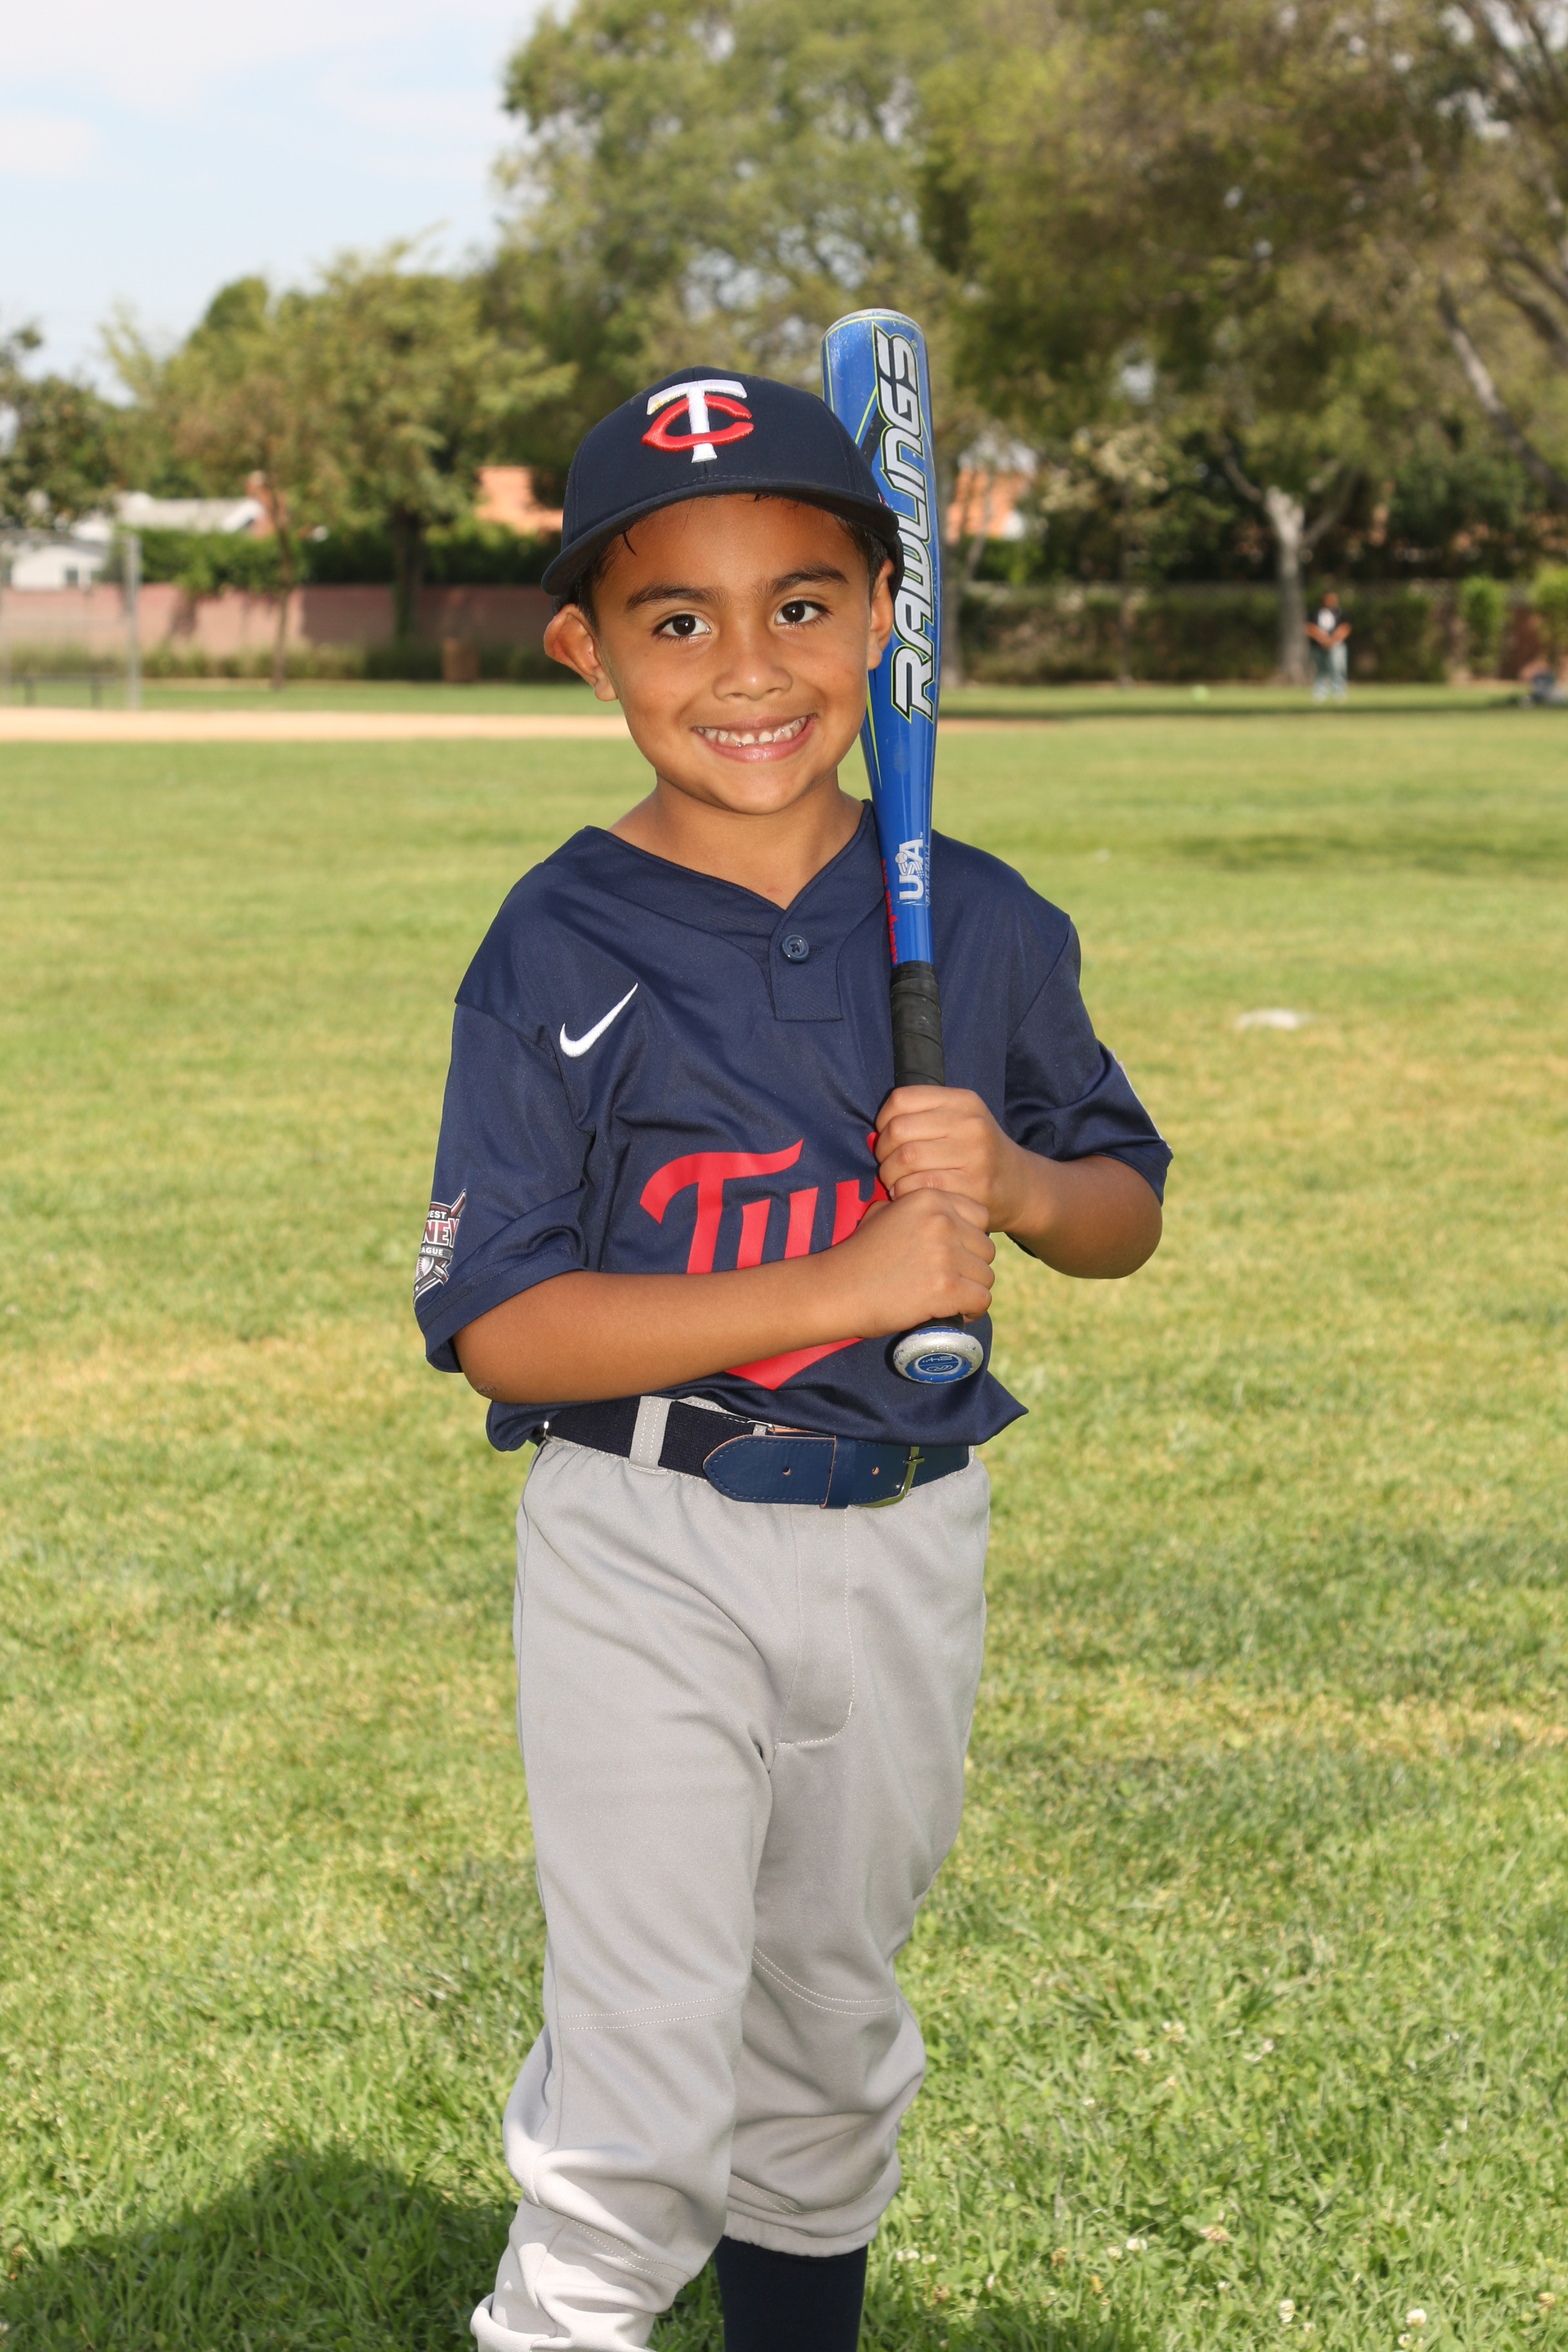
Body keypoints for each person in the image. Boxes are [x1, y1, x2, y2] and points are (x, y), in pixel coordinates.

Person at [413, 368, 1171, 2352]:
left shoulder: (983, 921)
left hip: (906, 1533)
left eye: (804, 604)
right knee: (646, 2076)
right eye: (677, 619)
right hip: (648, 1531)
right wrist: (845, 1276)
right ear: (588, 651)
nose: (748, 667)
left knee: (830, 2023)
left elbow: (1122, 1206)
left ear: (885, 622)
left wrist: (1014, 1181)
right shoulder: (561, 940)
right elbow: (505, 1321)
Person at [1306, 590, 1351, 701]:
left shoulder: (1340, 613)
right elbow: (1310, 627)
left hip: (1336, 645)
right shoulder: (1316, 613)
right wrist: (1322, 639)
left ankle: (1339, 692)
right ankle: (1320, 692)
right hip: (1319, 646)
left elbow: (1345, 628)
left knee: (1338, 668)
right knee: (1320, 669)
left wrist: (1333, 640)